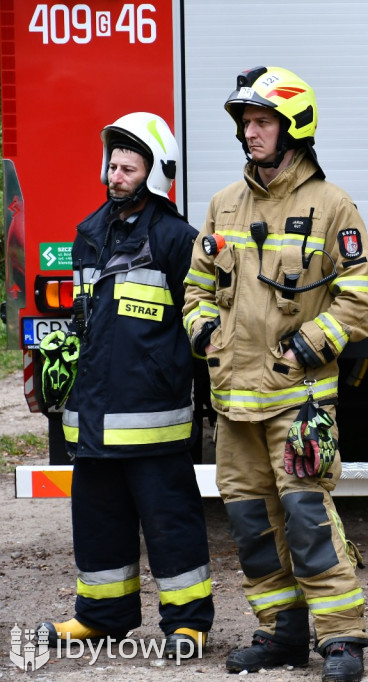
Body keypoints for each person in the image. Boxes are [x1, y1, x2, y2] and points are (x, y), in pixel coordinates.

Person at [182, 66, 368, 682]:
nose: (251, 133)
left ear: (295, 126)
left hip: (297, 403)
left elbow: (362, 299)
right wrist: (205, 334)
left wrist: (305, 348)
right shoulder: (222, 205)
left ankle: (342, 638)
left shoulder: (331, 206)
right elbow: (196, 289)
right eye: (246, 123)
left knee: (308, 520)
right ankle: (282, 634)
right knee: (251, 527)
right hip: (233, 407)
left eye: (262, 121)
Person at [39, 112, 214, 658]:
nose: (115, 175)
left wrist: (210, 399)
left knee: (170, 523)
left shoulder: (178, 239)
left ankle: (187, 624)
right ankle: (101, 616)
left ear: (155, 174)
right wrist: (61, 356)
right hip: (92, 416)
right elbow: (84, 319)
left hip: (153, 417)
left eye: (128, 167)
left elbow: (200, 322)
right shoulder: (89, 234)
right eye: (112, 165)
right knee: (96, 520)